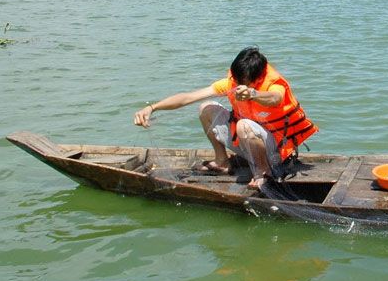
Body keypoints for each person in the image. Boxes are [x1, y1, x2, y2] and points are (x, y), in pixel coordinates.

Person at [133, 47, 317, 189]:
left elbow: (275, 98)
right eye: (237, 81)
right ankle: (222, 161)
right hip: (246, 142)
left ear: (258, 78)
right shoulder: (231, 83)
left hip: (276, 152)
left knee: (245, 125)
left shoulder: (274, 84)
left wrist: (253, 94)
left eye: (244, 82)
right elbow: (188, 97)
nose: (238, 86)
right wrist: (152, 107)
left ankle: (263, 173)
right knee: (206, 108)